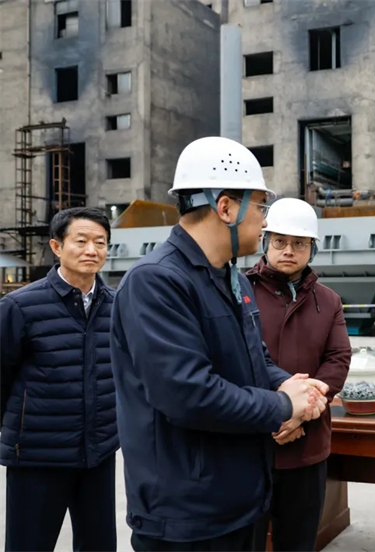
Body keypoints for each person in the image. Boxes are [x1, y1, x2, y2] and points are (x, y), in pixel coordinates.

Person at [110, 136, 330, 552]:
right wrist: (283, 405)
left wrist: (290, 384)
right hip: (186, 515)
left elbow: (253, 359)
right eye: (260, 206)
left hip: (237, 500)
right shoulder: (156, 282)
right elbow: (187, 394)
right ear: (226, 207)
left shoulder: (232, 281)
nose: (265, 220)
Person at [0, 207, 118, 551]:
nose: (91, 250)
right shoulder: (20, 307)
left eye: (100, 242)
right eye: (81, 241)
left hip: (98, 454)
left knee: (99, 545)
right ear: (56, 246)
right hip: (37, 456)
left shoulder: (118, 305)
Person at [246, 198, 352, 551]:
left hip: (307, 446)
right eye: (280, 241)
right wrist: (274, 412)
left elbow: (337, 359)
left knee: (298, 543)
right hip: (250, 444)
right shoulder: (239, 292)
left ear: (313, 248)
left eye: (299, 243)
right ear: (265, 241)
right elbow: (236, 361)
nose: (289, 250)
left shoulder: (329, 301)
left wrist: (300, 413)